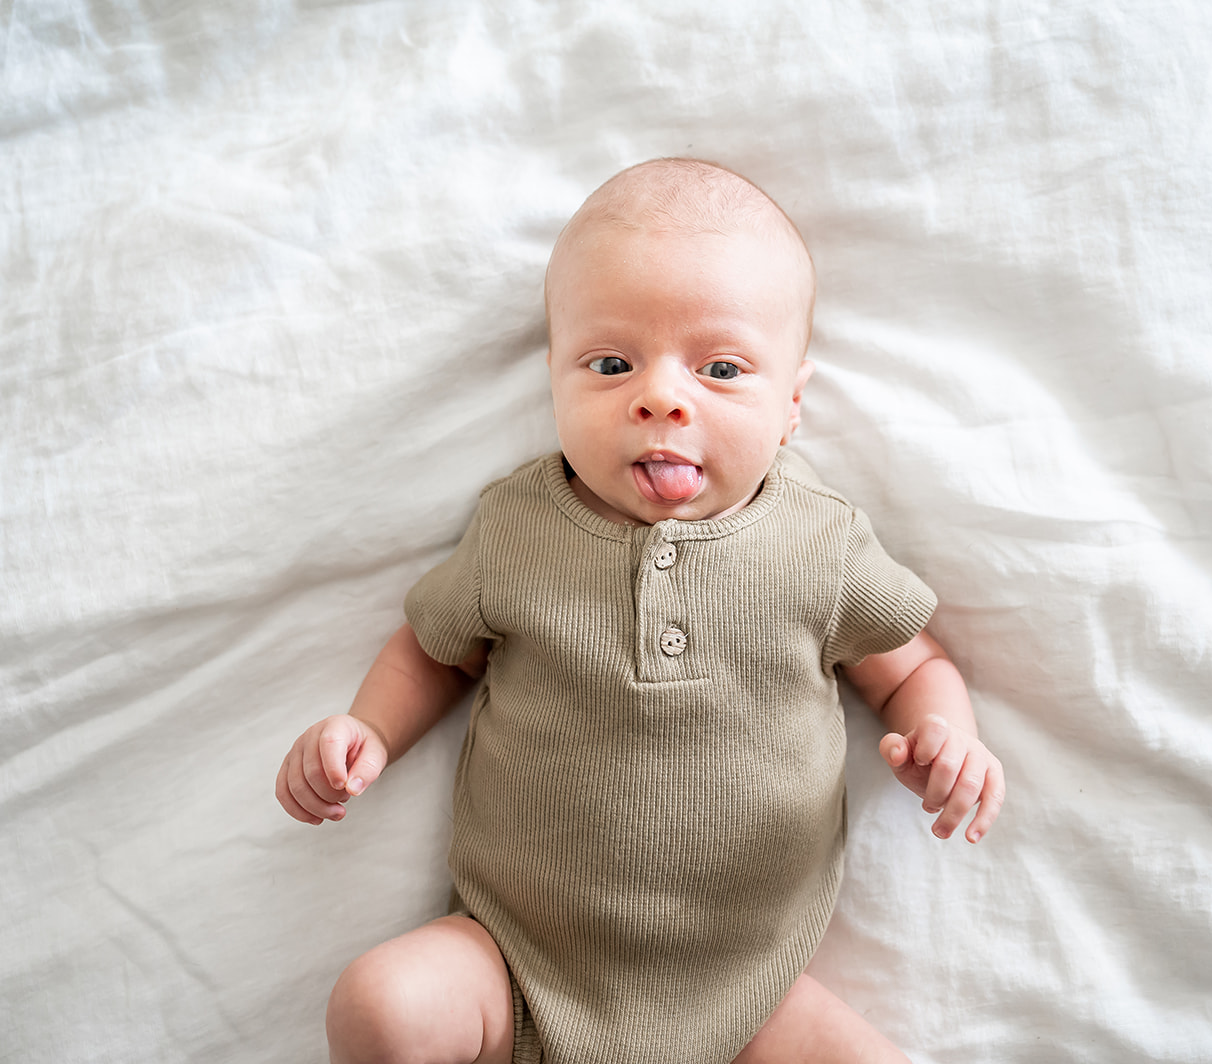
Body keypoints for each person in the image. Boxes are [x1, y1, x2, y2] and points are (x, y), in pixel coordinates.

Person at [275, 158, 1005, 1064]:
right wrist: (369, 731)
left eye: (721, 368)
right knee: (381, 1005)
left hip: (746, 994)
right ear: (554, 379)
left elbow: (915, 665)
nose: (661, 397)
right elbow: (435, 650)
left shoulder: (822, 545)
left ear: (791, 404)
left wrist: (948, 739)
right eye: (612, 364)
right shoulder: (518, 528)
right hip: (519, 967)